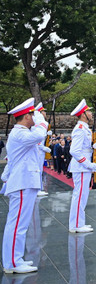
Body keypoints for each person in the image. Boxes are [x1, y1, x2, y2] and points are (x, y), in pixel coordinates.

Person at [2, 98, 48, 273]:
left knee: (20, 224)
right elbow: (39, 135)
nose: (35, 118)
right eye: (32, 115)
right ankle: (12, 263)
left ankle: (16, 258)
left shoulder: (21, 132)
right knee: (17, 225)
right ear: (27, 117)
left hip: (24, 182)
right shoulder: (20, 133)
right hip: (22, 184)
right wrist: (42, 122)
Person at [67, 99, 96, 233]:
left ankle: (79, 223)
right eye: (89, 111)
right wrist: (88, 164)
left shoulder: (85, 128)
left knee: (83, 195)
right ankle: (75, 225)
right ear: (83, 114)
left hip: (83, 166)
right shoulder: (80, 129)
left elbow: (83, 147)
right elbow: (74, 151)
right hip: (81, 167)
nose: (91, 113)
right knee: (80, 196)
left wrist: (93, 147)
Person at [33, 103, 51, 197]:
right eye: (43, 111)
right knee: (38, 170)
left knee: (39, 170)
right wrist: (42, 147)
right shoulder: (40, 122)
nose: (45, 113)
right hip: (38, 150)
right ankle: (37, 189)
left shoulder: (39, 122)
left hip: (39, 150)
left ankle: (38, 188)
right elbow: (37, 139)